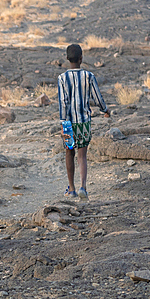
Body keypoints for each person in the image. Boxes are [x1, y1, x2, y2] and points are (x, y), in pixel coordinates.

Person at [57, 43, 109, 200]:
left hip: (68, 122)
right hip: (84, 121)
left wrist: (63, 123)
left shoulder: (62, 78)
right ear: (81, 58)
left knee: (69, 152)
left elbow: (63, 102)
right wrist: (105, 110)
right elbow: (97, 97)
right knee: (82, 155)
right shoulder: (89, 76)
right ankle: (83, 187)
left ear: (67, 58)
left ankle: (71, 188)